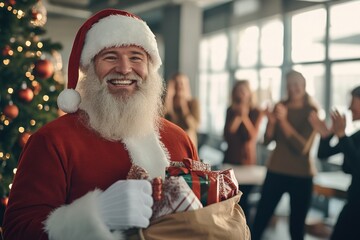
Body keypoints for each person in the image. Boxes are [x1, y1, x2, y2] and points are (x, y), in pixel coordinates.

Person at [2, 9, 198, 240]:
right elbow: (17, 230)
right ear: (91, 67)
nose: (124, 69)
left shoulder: (178, 138)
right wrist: (96, 215)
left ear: (150, 68)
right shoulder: (52, 140)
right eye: (110, 57)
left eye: (136, 57)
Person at [251, 70, 318, 240]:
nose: (292, 88)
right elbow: (267, 141)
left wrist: (283, 121)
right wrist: (271, 123)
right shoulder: (281, 105)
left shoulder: (312, 111)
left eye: (296, 84)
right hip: (276, 170)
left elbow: (302, 147)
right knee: (260, 220)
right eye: (289, 84)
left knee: (296, 228)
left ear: (304, 85)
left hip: (301, 176)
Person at [308, 86, 360, 240]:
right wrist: (326, 135)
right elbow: (323, 154)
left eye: (353, 102)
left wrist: (342, 136)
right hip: (354, 203)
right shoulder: (358, 135)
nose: (349, 107)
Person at [223, 80, 263, 221]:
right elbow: (227, 135)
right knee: (229, 200)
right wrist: (237, 116)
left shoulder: (257, 112)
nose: (241, 95)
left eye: (243, 91)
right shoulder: (230, 110)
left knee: (244, 201)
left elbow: (252, 137)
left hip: (247, 162)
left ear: (249, 94)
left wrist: (244, 116)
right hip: (230, 160)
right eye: (238, 91)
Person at [163, 72, 200, 148]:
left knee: (189, 133)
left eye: (182, 83)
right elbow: (160, 120)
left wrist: (184, 105)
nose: (179, 86)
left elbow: (194, 126)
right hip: (171, 139)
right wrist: (169, 97)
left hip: (188, 140)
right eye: (176, 83)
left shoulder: (193, 102)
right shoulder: (166, 103)